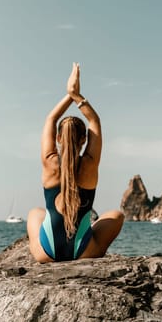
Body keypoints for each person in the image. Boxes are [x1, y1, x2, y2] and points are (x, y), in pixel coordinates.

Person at [27, 63, 124, 263]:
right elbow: (94, 122)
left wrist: (68, 95)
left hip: (47, 254)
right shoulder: (90, 164)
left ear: (58, 138)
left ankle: (41, 246)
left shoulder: (49, 161)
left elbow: (50, 119)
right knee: (116, 215)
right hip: (84, 252)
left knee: (35, 213)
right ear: (83, 140)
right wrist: (77, 96)